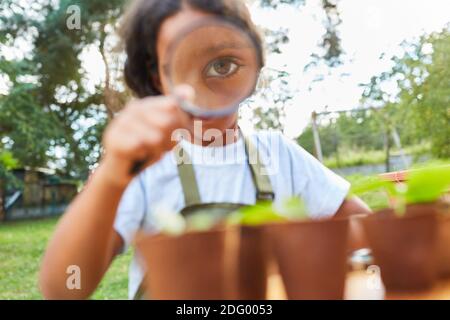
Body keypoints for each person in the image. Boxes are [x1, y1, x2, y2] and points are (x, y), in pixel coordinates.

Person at [39, 0, 371, 300]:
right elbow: (64, 287)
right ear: (157, 79)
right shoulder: (142, 168)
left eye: (223, 65)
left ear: (251, 68)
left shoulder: (280, 154)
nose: (204, 92)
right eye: (180, 67)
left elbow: (366, 232)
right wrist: (113, 174)